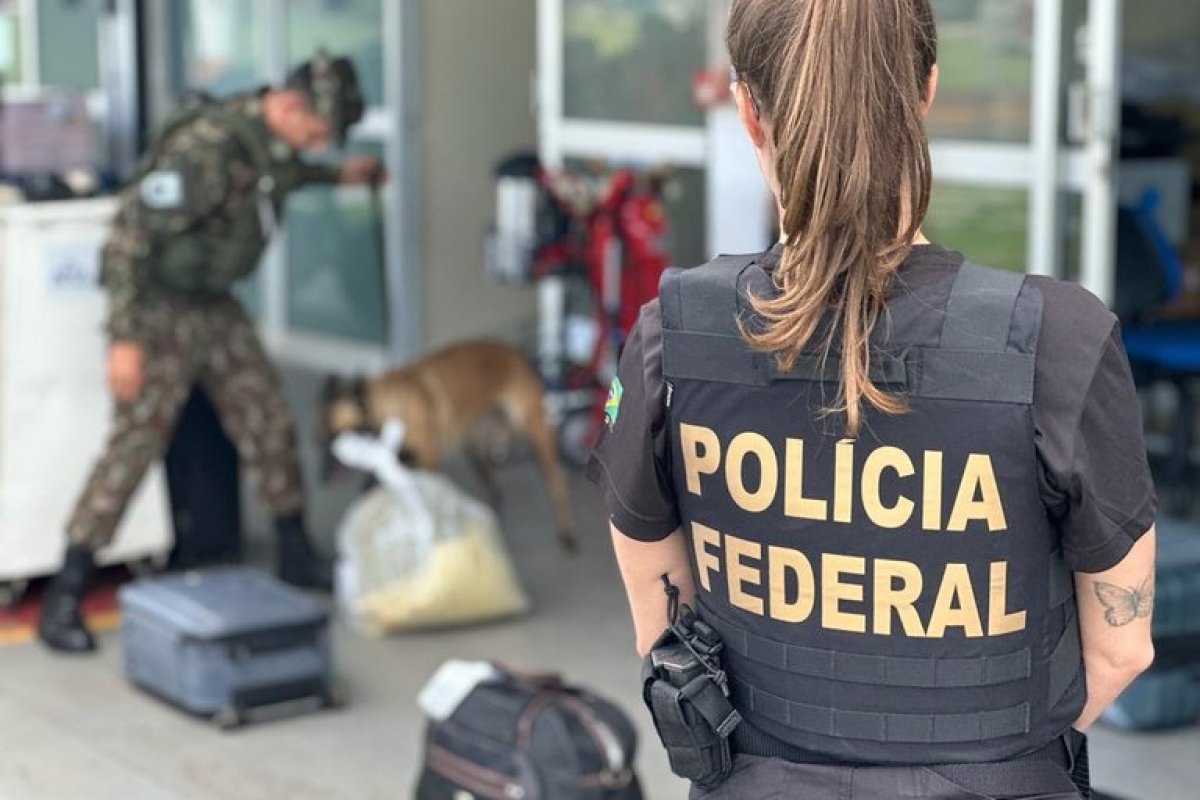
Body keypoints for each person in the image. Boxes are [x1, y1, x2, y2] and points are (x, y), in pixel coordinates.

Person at [589, 1, 1157, 798]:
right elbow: (1121, 650)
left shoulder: (671, 340)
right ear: (924, 92)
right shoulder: (1062, 343)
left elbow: (664, 631)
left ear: (747, 109)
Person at [38, 51, 384, 654]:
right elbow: (127, 237)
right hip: (160, 308)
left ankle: (295, 552)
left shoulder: (268, 145)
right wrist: (123, 339)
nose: (318, 144)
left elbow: (283, 175)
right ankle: (65, 592)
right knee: (135, 443)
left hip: (214, 305)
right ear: (288, 105)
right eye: (318, 132)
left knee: (268, 419)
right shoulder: (205, 147)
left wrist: (341, 176)